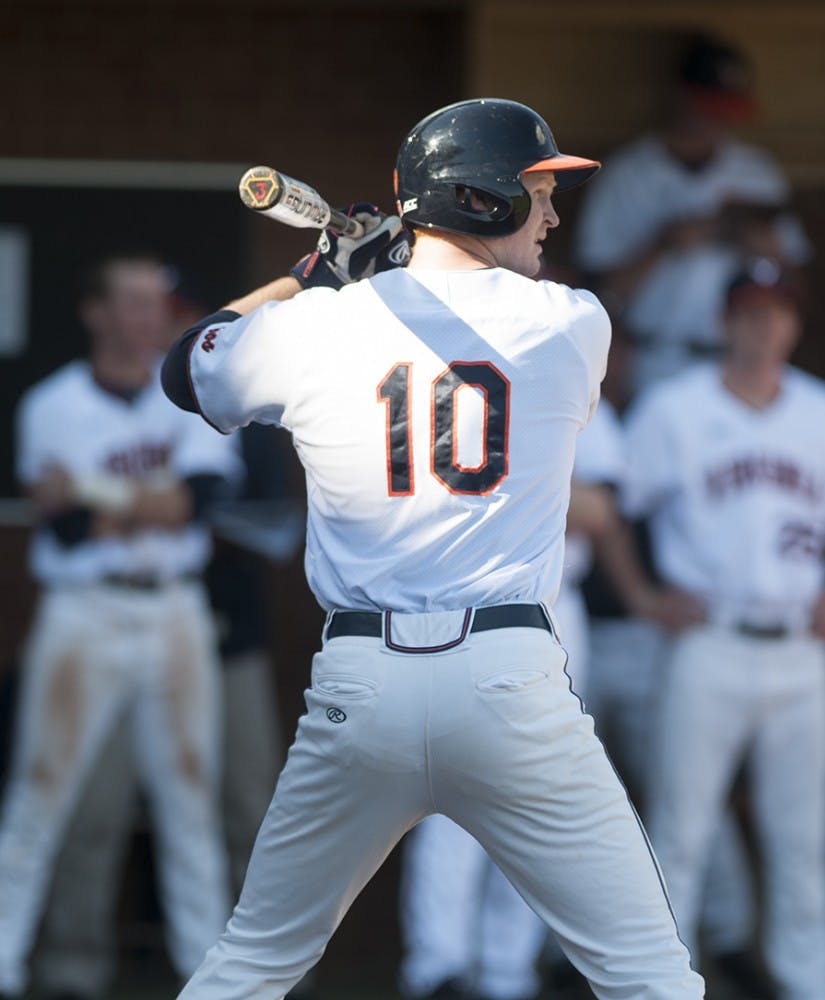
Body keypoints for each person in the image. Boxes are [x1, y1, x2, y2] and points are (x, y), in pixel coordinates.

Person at [160, 98, 705, 999]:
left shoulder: (314, 326)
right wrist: (382, 272)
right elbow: (452, 322)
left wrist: (309, 278)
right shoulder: (574, 323)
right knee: (648, 975)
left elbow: (187, 366)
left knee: (253, 960)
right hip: (507, 680)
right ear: (481, 198)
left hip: (359, 685)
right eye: (537, 192)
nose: (552, 216)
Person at [620, 259, 825, 999]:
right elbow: (616, 508)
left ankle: (810, 984)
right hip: (709, 643)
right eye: (753, 314)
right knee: (681, 833)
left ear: (795, 324)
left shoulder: (822, 410)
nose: (767, 328)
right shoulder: (674, 408)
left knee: (801, 840)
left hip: (800, 648)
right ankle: (662, 988)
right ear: (724, 322)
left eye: (780, 314)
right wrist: (643, 595)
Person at [0, 253, 240, 999]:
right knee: (39, 796)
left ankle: (209, 979)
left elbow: (196, 503)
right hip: (85, 611)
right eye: (132, 302)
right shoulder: (51, 403)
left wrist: (95, 491)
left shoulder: (192, 394)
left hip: (175, 607)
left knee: (190, 802)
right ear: (95, 312)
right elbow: (68, 528)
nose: (148, 316)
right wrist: (141, 503)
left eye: (155, 303)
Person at [398, 399, 627, 1000]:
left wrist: (496, 486)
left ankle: (507, 971)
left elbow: (598, 512)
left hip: (551, 609)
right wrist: (533, 487)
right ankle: (439, 969)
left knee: (539, 796)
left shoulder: (570, 386)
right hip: (457, 606)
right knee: (452, 795)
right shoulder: (436, 388)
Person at [574, 34, 810, 397]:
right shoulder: (628, 172)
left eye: (725, 108)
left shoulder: (757, 173)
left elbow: (798, 288)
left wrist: (764, 248)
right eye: (708, 105)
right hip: (652, 355)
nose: (716, 118)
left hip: (735, 361)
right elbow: (595, 291)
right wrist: (666, 242)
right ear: (680, 96)